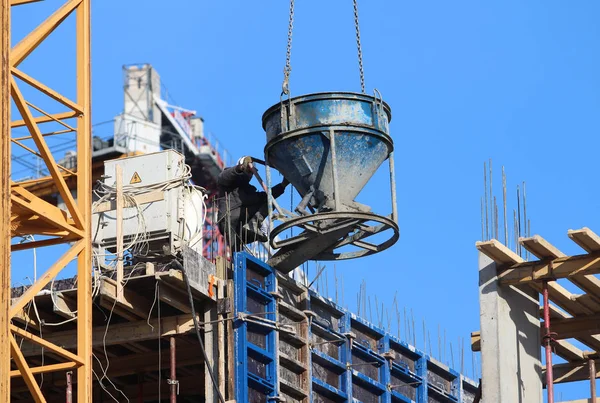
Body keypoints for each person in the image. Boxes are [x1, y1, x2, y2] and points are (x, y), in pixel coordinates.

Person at [217, 156, 289, 251]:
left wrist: (282, 185)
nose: (250, 174)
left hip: (241, 227)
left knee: (237, 254)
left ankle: (254, 224)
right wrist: (240, 168)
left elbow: (266, 196)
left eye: (251, 172)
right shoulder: (231, 182)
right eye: (249, 171)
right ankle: (254, 223)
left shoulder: (250, 191)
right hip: (228, 219)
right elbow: (223, 177)